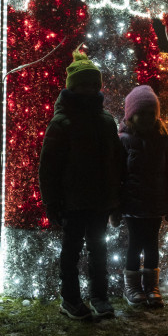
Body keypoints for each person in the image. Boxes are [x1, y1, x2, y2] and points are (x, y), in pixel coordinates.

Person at [39, 50, 124, 320]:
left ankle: (99, 296)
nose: (88, 90)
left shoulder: (106, 121)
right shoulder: (62, 123)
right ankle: (71, 300)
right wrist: (52, 202)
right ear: (73, 88)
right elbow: (49, 167)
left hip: (99, 201)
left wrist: (117, 198)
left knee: (99, 251)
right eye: (83, 85)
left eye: (92, 85)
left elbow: (117, 162)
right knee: (71, 252)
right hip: (72, 202)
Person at [119, 85, 168, 308]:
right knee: (135, 244)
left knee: (151, 245)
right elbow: (114, 174)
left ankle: (151, 287)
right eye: (142, 113)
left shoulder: (164, 141)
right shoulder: (123, 141)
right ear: (131, 115)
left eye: (151, 113)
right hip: (131, 204)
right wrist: (113, 206)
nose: (147, 118)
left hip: (155, 204)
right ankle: (132, 287)